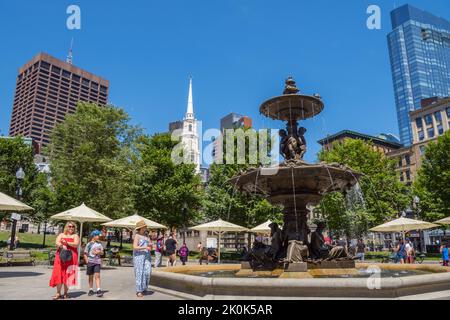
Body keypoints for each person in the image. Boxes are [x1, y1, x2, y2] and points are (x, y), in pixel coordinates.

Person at [49, 221, 80, 300]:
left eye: (73, 226)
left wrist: (67, 243)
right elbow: (57, 242)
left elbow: (76, 244)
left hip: (72, 257)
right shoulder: (61, 234)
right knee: (59, 273)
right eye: (69, 226)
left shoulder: (75, 235)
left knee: (68, 274)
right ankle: (58, 293)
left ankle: (66, 293)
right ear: (66, 227)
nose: (71, 228)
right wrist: (62, 245)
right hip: (60, 255)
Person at [133, 220, 152, 298]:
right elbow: (134, 247)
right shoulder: (137, 236)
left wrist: (151, 246)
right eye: (145, 226)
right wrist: (145, 247)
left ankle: (144, 287)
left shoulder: (147, 236)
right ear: (141, 227)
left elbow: (149, 245)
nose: (146, 227)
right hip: (139, 256)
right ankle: (139, 290)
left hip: (147, 256)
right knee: (139, 273)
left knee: (148, 271)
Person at [84, 230, 104, 297]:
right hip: (90, 262)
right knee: (91, 276)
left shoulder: (100, 244)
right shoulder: (89, 244)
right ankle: (91, 289)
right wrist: (87, 261)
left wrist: (99, 252)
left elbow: (102, 252)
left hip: (97, 262)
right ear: (93, 236)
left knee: (97, 276)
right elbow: (85, 253)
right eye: (97, 235)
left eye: (98, 235)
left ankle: (98, 289)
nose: (98, 237)